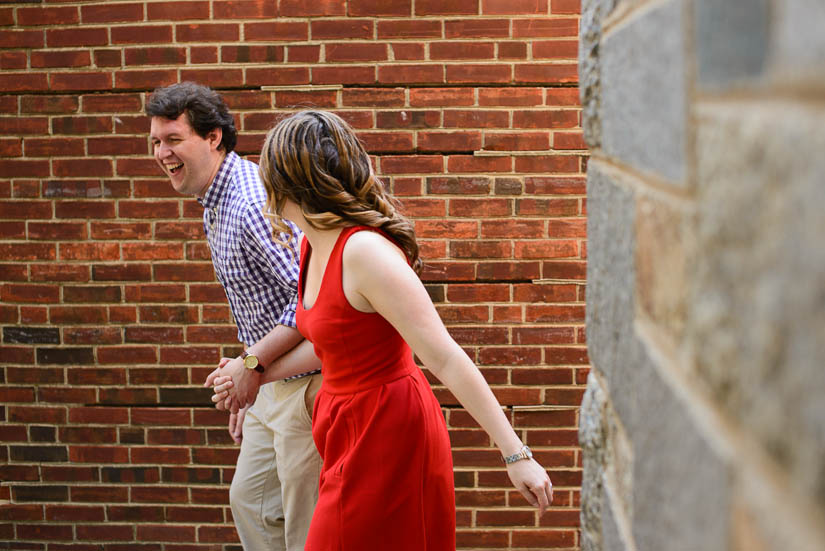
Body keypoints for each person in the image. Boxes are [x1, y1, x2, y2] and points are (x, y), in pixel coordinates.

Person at [210, 110, 554, 550]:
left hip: (389, 432)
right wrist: (254, 373)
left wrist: (516, 454)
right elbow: (333, 343)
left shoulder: (364, 252)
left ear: (288, 181)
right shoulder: (311, 247)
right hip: (343, 427)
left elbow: (445, 355)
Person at [146, 83, 322, 551]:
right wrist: (251, 383)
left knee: (305, 526)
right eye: (156, 142)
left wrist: (251, 368)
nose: (162, 152)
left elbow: (309, 301)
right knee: (252, 502)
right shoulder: (215, 199)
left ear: (214, 138)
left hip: (302, 384)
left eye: (173, 140)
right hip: (266, 381)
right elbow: (262, 303)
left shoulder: (250, 204)